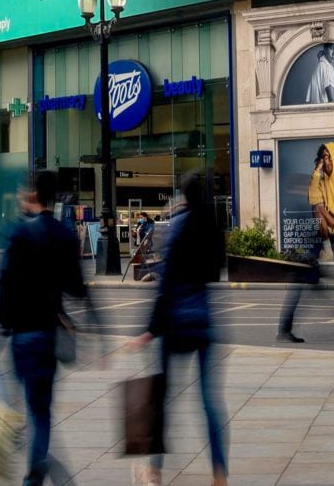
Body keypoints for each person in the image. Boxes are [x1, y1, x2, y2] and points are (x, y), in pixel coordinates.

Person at [0, 170, 89, 486]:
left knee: (23, 406)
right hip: (48, 336)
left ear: (32, 194)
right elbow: (77, 289)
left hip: (21, 337)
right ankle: (37, 468)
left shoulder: (19, 234)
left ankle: (34, 469)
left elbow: (4, 288)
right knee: (41, 411)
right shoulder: (64, 234)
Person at [131, 172, 228, 486]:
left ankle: (154, 471)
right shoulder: (212, 226)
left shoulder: (180, 226)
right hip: (203, 320)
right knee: (210, 402)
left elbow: (166, 280)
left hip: (175, 324)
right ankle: (219, 473)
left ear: (183, 195)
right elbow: (215, 269)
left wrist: (150, 328)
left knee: (162, 398)